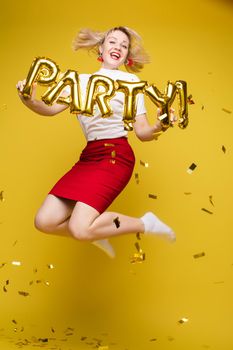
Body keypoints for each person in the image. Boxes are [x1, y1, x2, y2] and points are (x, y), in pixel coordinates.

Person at [16, 26, 176, 258]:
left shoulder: (131, 83)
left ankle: (144, 223)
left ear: (127, 55)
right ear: (101, 48)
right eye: (112, 42)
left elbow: (142, 132)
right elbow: (49, 109)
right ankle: (97, 233)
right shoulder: (80, 82)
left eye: (124, 45)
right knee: (44, 221)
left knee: (80, 228)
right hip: (89, 156)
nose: (118, 48)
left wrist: (160, 125)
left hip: (115, 155)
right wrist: (27, 100)